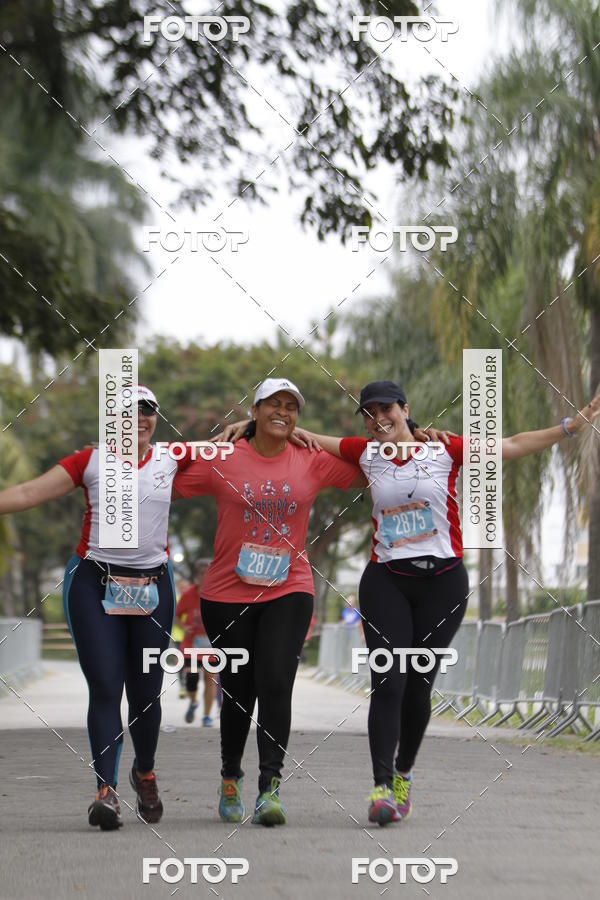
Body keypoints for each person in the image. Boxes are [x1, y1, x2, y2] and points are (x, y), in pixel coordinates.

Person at [232, 379, 600, 826]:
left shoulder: (444, 450)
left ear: (405, 409)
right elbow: (288, 432)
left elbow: (513, 444)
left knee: (418, 687)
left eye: (385, 409)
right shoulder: (364, 453)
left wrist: (570, 426)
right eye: (368, 413)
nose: (377, 419)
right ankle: (382, 788)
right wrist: (245, 425)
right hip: (386, 580)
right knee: (388, 680)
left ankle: (403, 773)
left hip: (443, 584)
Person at [172, 377, 365, 827]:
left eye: (291, 407)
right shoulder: (224, 457)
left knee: (277, 681)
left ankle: (270, 787)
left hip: (289, 588)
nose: (284, 412)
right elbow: (169, 475)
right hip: (225, 593)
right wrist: (225, 433)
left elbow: (367, 466)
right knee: (239, 691)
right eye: (273, 405)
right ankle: (229, 777)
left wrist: (403, 437)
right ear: (254, 410)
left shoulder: (310, 459)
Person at [0, 386, 194, 831]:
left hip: (152, 587)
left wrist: (245, 427)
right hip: (94, 583)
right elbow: (30, 492)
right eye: (128, 413)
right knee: (106, 685)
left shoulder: (172, 457)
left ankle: (144, 771)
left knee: (146, 693)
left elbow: (228, 451)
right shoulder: (89, 460)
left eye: (148, 411)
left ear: (156, 420)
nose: (139, 419)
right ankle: (105, 791)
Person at [174, 558, 218, 725]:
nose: (205, 575)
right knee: (191, 679)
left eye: (208, 572)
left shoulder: (218, 593)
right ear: (197, 575)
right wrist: (184, 627)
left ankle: (206, 716)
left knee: (210, 679)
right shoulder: (188, 595)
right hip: (192, 646)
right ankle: (193, 702)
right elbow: (176, 615)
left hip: (212, 646)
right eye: (201, 572)